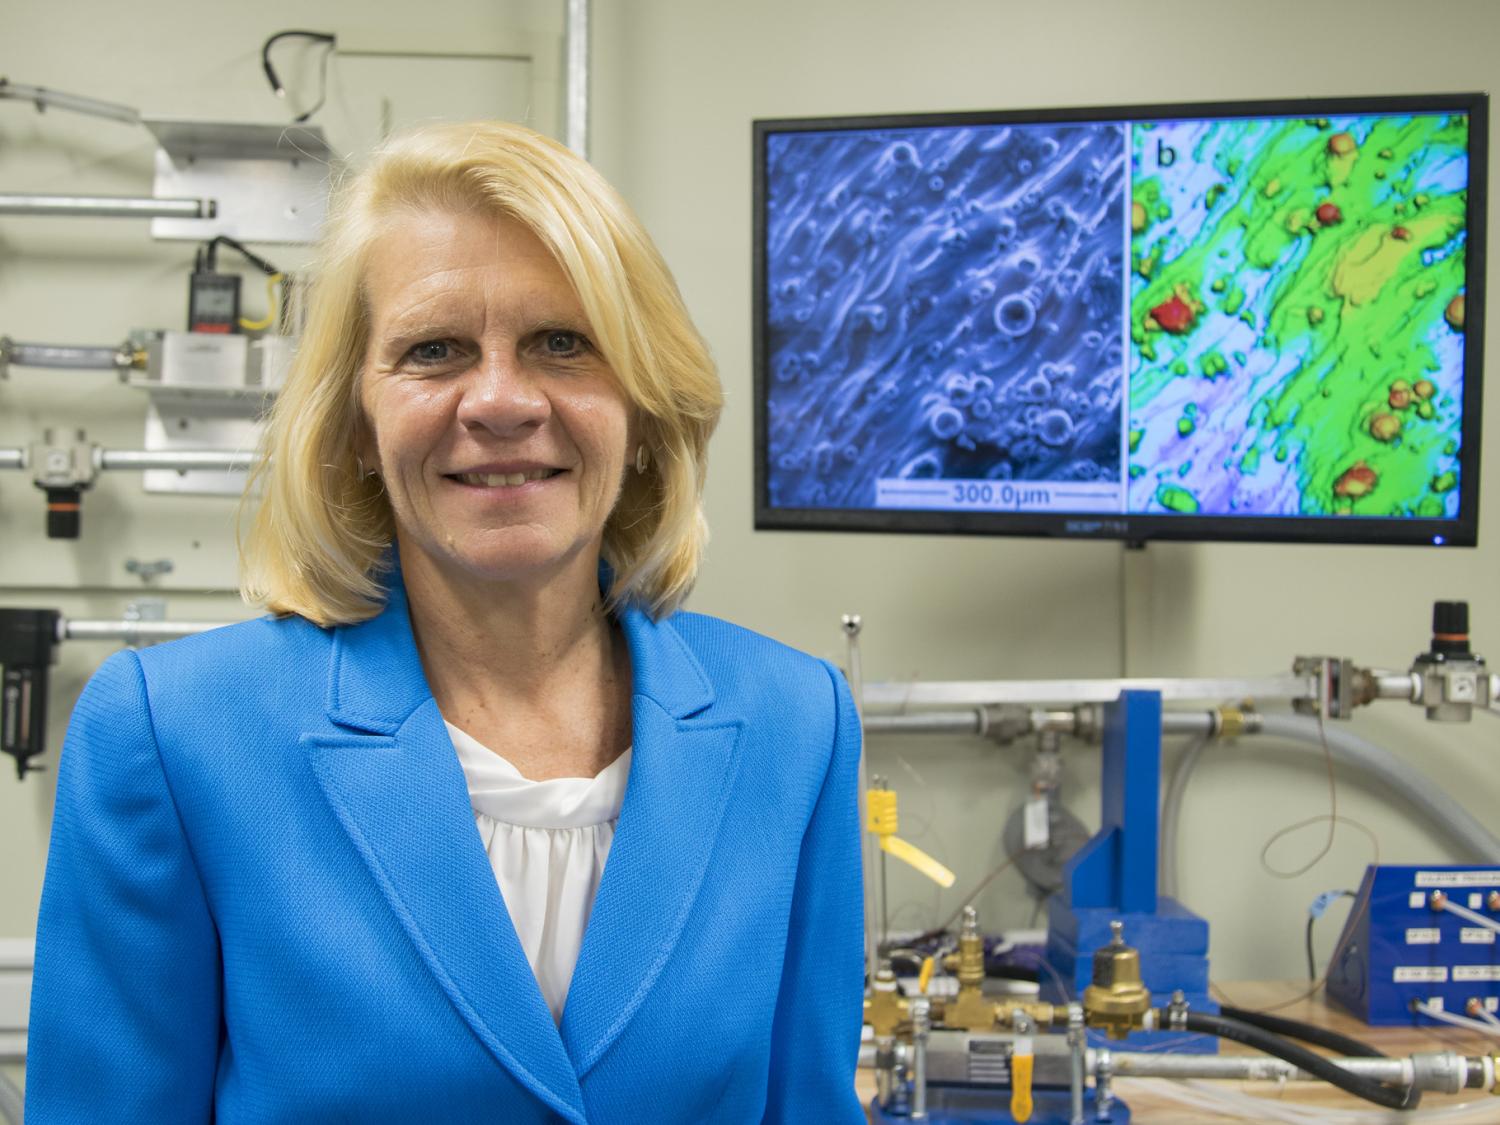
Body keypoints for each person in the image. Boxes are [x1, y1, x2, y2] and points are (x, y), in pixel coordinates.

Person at [27, 121, 866, 1123]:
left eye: (564, 342)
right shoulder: (173, 735)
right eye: (434, 350)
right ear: (355, 421)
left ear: (642, 401)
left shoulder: (795, 723)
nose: (502, 401)